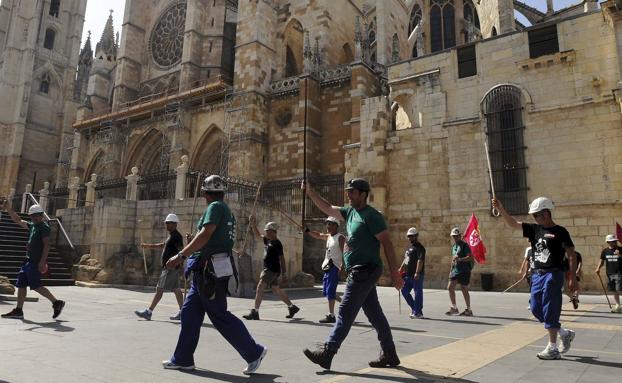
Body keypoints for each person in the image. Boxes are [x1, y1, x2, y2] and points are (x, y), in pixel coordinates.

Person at [161, 175, 267, 374]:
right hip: (205, 270)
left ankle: (254, 352)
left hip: (210, 271)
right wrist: (196, 243)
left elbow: (206, 234)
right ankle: (183, 358)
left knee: (219, 315)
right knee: (190, 314)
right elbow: (210, 237)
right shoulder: (224, 209)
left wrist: (181, 255)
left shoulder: (215, 207)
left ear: (204, 193)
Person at [302, 178, 404, 370]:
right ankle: (390, 354)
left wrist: (395, 274)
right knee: (375, 315)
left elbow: (388, 244)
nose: (348, 194)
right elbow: (327, 207)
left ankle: (328, 352)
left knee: (345, 312)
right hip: (358, 271)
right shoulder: (349, 212)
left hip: (365, 270)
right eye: (348, 191)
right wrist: (310, 191)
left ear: (363, 194)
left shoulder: (372, 216)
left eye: (353, 192)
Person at [493, 197, 577, 360]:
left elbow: (571, 255)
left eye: (536, 215)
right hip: (537, 274)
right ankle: (564, 333)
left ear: (545, 213)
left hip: (554, 273)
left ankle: (552, 348)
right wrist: (501, 208)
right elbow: (514, 224)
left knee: (550, 307)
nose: (534, 219)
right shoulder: (534, 229)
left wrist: (572, 277)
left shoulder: (561, 231)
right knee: (536, 308)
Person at [1, 202, 65, 320]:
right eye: (33, 215)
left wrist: (42, 261)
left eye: (38, 215)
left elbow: (47, 245)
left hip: (35, 262)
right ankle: (19, 310)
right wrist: (9, 209)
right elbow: (18, 220)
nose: (35, 217)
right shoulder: (32, 226)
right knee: (21, 285)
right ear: (30, 216)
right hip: (27, 261)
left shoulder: (44, 227)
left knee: (36, 285)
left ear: (41, 215)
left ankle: (56, 302)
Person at [242, 219, 300, 320]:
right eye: (266, 231)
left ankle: (255, 312)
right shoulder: (267, 240)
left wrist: (284, 274)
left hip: (271, 270)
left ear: (273, 232)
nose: (266, 232)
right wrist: (253, 225)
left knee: (260, 287)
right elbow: (257, 236)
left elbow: (282, 259)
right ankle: (292, 307)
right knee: (276, 289)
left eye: (268, 231)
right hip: (269, 269)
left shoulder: (277, 244)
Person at [134, 213, 185, 321]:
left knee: (159, 289)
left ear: (174, 224)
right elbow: (163, 245)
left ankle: (149, 312)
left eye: (168, 223)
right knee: (176, 290)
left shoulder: (177, 236)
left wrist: (180, 266)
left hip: (170, 267)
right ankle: (183, 312)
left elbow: (181, 251)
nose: (166, 225)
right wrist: (148, 246)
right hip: (171, 267)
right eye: (166, 223)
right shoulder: (171, 236)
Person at [306, 216, 345, 323]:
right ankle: (346, 305)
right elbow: (318, 235)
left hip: (335, 267)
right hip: (327, 267)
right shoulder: (329, 236)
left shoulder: (340, 237)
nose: (328, 226)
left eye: (331, 224)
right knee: (326, 292)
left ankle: (331, 315)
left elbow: (345, 253)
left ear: (336, 226)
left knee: (330, 291)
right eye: (327, 224)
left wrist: (343, 266)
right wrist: (307, 231)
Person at [445, 227, 473, 316]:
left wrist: (460, 259)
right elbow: (453, 260)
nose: (455, 238)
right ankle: (454, 308)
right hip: (455, 270)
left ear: (460, 236)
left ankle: (468, 309)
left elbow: (470, 257)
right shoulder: (454, 247)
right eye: (453, 236)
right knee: (450, 287)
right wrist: (450, 270)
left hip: (464, 270)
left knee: (464, 289)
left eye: (457, 236)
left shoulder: (465, 246)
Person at [399, 227, 426, 319]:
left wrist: (417, 272)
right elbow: (406, 259)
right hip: (407, 275)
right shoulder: (409, 247)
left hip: (416, 275)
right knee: (404, 291)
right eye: (409, 236)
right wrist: (401, 268)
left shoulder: (420, 248)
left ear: (416, 236)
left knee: (417, 292)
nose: (410, 238)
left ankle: (417, 312)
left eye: (412, 236)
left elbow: (420, 260)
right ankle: (416, 309)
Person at [596, 234, 622, 313]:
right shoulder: (605, 251)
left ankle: (618, 305)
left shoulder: (620, 249)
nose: (615, 242)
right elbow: (602, 260)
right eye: (613, 241)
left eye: (615, 241)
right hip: (610, 273)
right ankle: (618, 305)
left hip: (620, 273)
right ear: (608, 242)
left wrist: (619, 255)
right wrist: (598, 268)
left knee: (619, 289)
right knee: (614, 290)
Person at [519, 244, 533, 310]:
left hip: (536, 272)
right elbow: (526, 260)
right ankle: (532, 303)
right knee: (532, 288)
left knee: (534, 289)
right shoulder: (528, 249)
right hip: (530, 272)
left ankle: (533, 303)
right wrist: (523, 270)